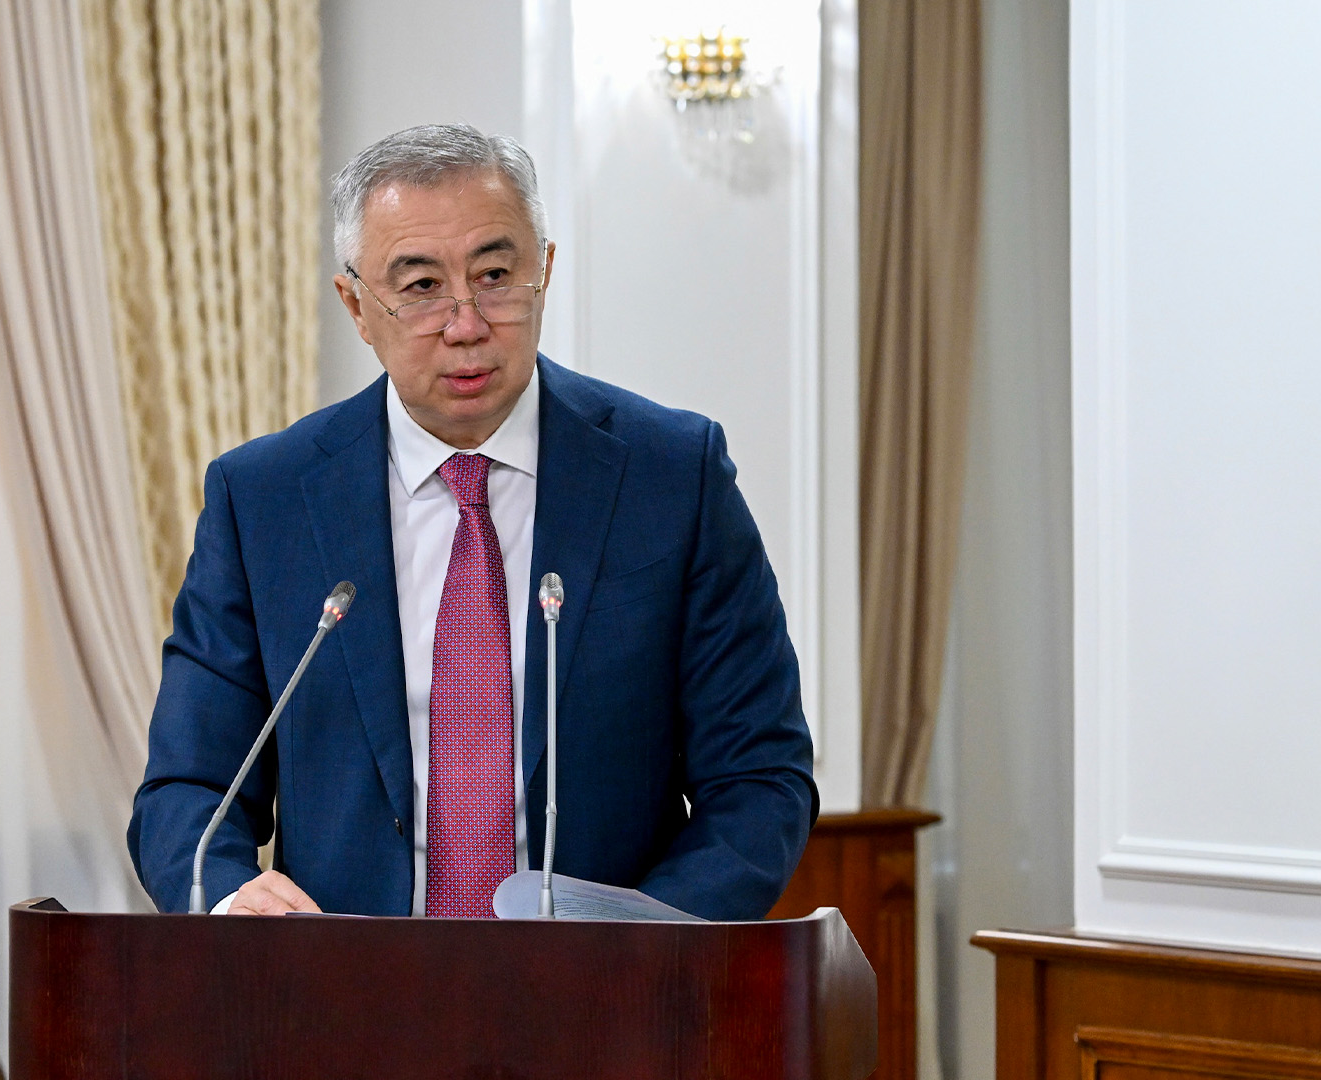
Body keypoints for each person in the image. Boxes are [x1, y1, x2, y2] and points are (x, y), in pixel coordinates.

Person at [128, 124, 816, 920]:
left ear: (544, 272)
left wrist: (643, 944)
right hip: (342, 983)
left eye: (494, 276)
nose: (466, 324)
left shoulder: (671, 477)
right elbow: (189, 786)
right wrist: (229, 898)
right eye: (421, 286)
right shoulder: (265, 500)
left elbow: (759, 778)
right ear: (357, 305)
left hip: (612, 984)